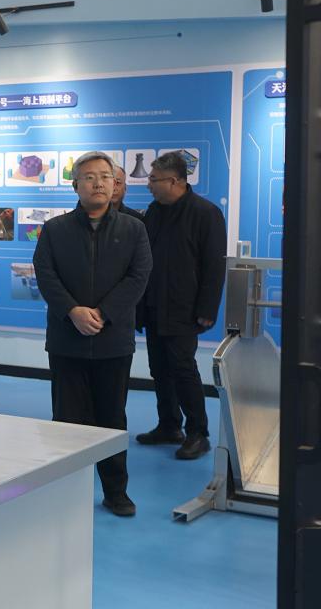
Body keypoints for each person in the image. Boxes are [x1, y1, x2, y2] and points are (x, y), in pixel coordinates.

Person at [33, 151, 152, 517]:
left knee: (112, 419)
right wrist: (72, 311)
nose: (98, 183)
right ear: (76, 186)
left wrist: (103, 313)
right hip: (66, 340)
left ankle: (116, 492)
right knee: (66, 419)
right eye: (89, 177)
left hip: (113, 341)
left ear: (115, 184)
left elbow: (138, 276)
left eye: (105, 176)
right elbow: (45, 274)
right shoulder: (55, 229)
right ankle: (67, 490)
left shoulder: (134, 228)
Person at [136, 150, 226, 460]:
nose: (148, 184)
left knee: (183, 369)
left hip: (184, 308)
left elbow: (214, 265)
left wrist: (208, 309)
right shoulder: (154, 212)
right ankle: (169, 425)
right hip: (153, 306)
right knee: (159, 369)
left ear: (174, 181)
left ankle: (198, 433)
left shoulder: (206, 213)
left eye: (153, 179)